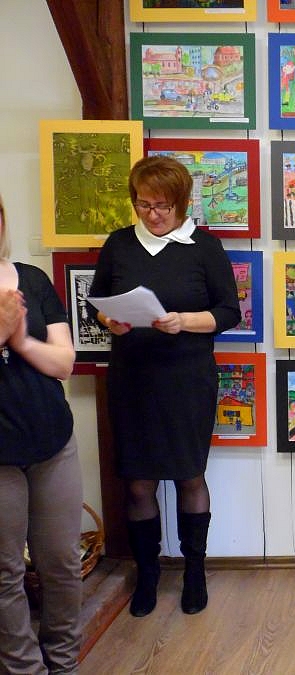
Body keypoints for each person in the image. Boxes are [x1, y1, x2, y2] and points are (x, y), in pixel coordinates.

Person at [89, 156, 240, 618]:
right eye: (144, 205)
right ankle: (148, 574)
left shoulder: (204, 247)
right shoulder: (119, 244)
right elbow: (98, 301)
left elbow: (228, 312)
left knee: (189, 476)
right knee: (138, 484)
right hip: (132, 379)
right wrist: (109, 320)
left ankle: (195, 571)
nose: (152, 214)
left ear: (182, 202)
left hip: (186, 378)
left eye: (163, 206)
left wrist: (184, 321)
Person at [0, 193, 83, 674]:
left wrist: (20, 340)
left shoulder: (31, 278)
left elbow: (64, 362)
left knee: (61, 563)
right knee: (6, 572)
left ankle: (63, 663)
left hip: (53, 442)